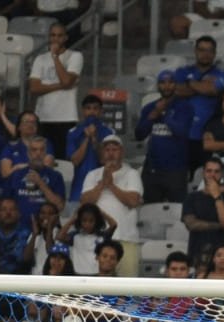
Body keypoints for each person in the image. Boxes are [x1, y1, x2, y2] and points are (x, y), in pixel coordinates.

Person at [79, 135, 144, 275]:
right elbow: (85, 203)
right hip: (96, 241)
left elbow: (132, 201)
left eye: (115, 149)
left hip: (125, 237)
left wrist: (111, 185)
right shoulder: (92, 175)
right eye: (107, 149)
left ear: (122, 152)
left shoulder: (131, 173)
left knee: (128, 288)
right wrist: (103, 183)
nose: (111, 153)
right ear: (102, 153)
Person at [175, 35, 224, 172]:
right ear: (195, 51)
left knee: (207, 178)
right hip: (184, 135)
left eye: (209, 50)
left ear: (214, 53)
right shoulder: (182, 71)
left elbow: (212, 90)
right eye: (201, 50)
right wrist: (201, 86)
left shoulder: (222, 74)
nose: (205, 54)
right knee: (182, 179)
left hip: (210, 137)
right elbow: (177, 91)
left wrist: (189, 83)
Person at [137, 71, 193, 203]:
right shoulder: (149, 108)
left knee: (177, 212)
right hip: (152, 170)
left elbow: (182, 132)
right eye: (163, 82)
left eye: (170, 82)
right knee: (150, 212)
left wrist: (165, 114)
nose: (167, 86)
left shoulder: (185, 107)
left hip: (176, 170)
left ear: (175, 85)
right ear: (158, 86)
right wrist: (154, 114)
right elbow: (139, 134)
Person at [27, 24, 82, 158]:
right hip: (43, 117)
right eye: (53, 35)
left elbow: (66, 80)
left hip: (66, 117)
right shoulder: (40, 59)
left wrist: (55, 57)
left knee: (64, 160)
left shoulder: (75, 56)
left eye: (59, 35)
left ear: (66, 38)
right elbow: (34, 88)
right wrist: (61, 86)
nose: (56, 39)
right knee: (42, 157)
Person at [182, 158, 224, 272]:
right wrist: (219, 225)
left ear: (222, 174)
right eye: (209, 171)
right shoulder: (192, 197)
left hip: (221, 256)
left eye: (216, 171)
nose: (212, 174)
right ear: (203, 173)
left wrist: (217, 196)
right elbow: (191, 224)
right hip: (196, 253)